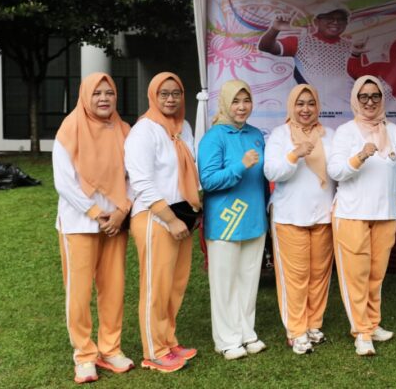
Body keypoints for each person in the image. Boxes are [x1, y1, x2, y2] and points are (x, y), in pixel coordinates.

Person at [53, 73, 134, 384]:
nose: (103, 98)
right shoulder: (69, 129)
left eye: (109, 93)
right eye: (97, 93)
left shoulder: (124, 130)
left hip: (115, 223)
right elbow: (64, 182)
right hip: (79, 223)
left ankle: (110, 349)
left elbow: (134, 175)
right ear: (85, 96)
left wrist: (121, 211)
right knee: (79, 292)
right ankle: (84, 355)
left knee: (113, 288)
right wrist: (98, 213)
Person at [327, 75, 396, 356]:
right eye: (364, 96)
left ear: (382, 98)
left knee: (376, 274)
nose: (370, 102)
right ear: (355, 100)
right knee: (355, 275)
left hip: (385, 214)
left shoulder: (395, 132)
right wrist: (360, 156)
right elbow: (336, 171)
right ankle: (361, 331)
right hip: (351, 213)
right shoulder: (345, 132)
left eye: (375, 96)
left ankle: (372, 324)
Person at [125, 73, 200, 373]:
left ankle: (168, 339)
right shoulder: (144, 131)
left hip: (182, 214)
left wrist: (191, 210)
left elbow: (190, 169)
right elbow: (141, 180)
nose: (170, 99)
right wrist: (169, 219)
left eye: (176, 93)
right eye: (164, 94)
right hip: (155, 217)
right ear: (153, 96)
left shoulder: (183, 127)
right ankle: (154, 350)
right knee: (156, 286)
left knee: (175, 284)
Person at [197, 80, 268, 360]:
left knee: (248, 281)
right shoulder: (214, 137)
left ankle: (246, 333)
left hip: (254, 219)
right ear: (226, 103)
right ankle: (226, 340)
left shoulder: (256, 134)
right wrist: (241, 165)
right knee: (224, 283)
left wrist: (266, 209)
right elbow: (208, 180)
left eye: (246, 100)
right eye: (236, 101)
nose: (241, 107)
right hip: (226, 220)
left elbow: (263, 180)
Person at [264, 84, 336, 354]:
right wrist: (294, 154)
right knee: (295, 276)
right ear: (291, 106)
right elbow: (272, 172)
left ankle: (313, 324)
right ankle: (296, 330)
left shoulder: (329, 135)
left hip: (323, 214)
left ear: (318, 106)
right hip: (289, 215)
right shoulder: (280, 135)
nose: (305, 109)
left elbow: (338, 172)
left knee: (319, 274)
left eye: (311, 103)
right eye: (300, 103)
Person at [258, 6, 353, 112]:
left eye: (341, 19)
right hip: (310, 107)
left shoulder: (353, 47)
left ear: (346, 23)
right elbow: (266, 47)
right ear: (316, 21)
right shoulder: (301, 41)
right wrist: (274, 29)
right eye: (329, 18)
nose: (335, 22)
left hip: (344, 108)